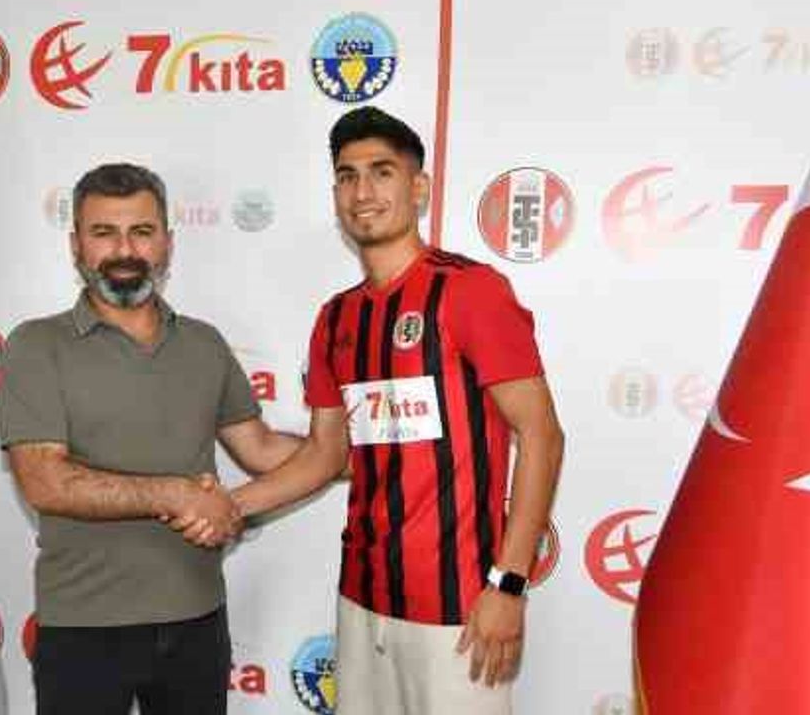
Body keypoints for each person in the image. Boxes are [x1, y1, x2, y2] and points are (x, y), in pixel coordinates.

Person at [228, 107, 565, 714]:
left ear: (419, 188)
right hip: (362, 600)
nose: (362, 192)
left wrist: (509, 584)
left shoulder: (469, 290)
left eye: (382, 172)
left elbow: (541, 435)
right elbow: (324, 454)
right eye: (347, 176)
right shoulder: (336, 318)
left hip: (461, 609)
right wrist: (231, 506)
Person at [0, 163, 300, 715]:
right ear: (75, 245)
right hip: (83, 630)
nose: (124, 250)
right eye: (103, 232)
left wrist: (365, 454)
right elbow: (45, 481)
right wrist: (177, 494)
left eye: (141, 231)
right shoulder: (36, 345)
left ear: (167, 243)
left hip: (197, 623)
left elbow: (261, 449)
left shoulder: (205, 344)